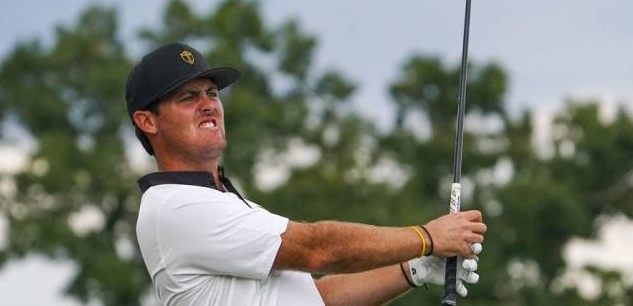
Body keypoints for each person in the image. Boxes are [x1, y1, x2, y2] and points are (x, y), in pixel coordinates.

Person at [126, 42, 487, 305]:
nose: (208, 104)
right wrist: (426, 237)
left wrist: (412, 268)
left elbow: (318, 299)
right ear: (147, 121)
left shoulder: (224, 202)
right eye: (187, 98)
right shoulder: (175, 207)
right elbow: (319, 248)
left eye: (211, 93)